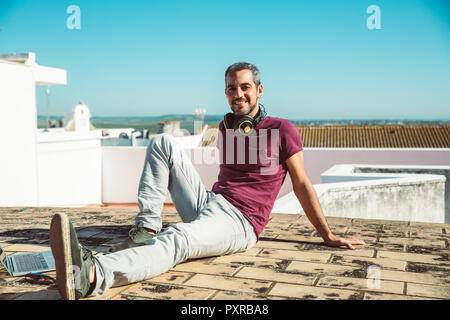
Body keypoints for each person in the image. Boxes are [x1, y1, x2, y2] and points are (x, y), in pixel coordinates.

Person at [49, 62, 365, 300]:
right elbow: (228, 180)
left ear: (259, 89)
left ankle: (91, 276)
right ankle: (146, 230)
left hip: (241, 222)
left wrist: (327, 235)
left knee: (179, 239)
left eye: (244, 87)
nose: (237, 94)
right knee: (163, 142)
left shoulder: (283, 129)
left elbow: (302, 184)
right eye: (231, 88)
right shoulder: (226, 129)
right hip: (211, 203)